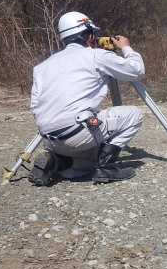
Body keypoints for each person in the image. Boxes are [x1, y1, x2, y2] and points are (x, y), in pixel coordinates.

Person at [28, 11, 145, 186]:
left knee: (88, 163)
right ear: (89, 35)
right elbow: (136, 71)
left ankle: (57, 161)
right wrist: (125, 47)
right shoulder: (96, 56)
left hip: (49, 138)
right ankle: (106, 167)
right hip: (78, 133)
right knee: (134, 114)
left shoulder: (42, 67)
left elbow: (35, 106)